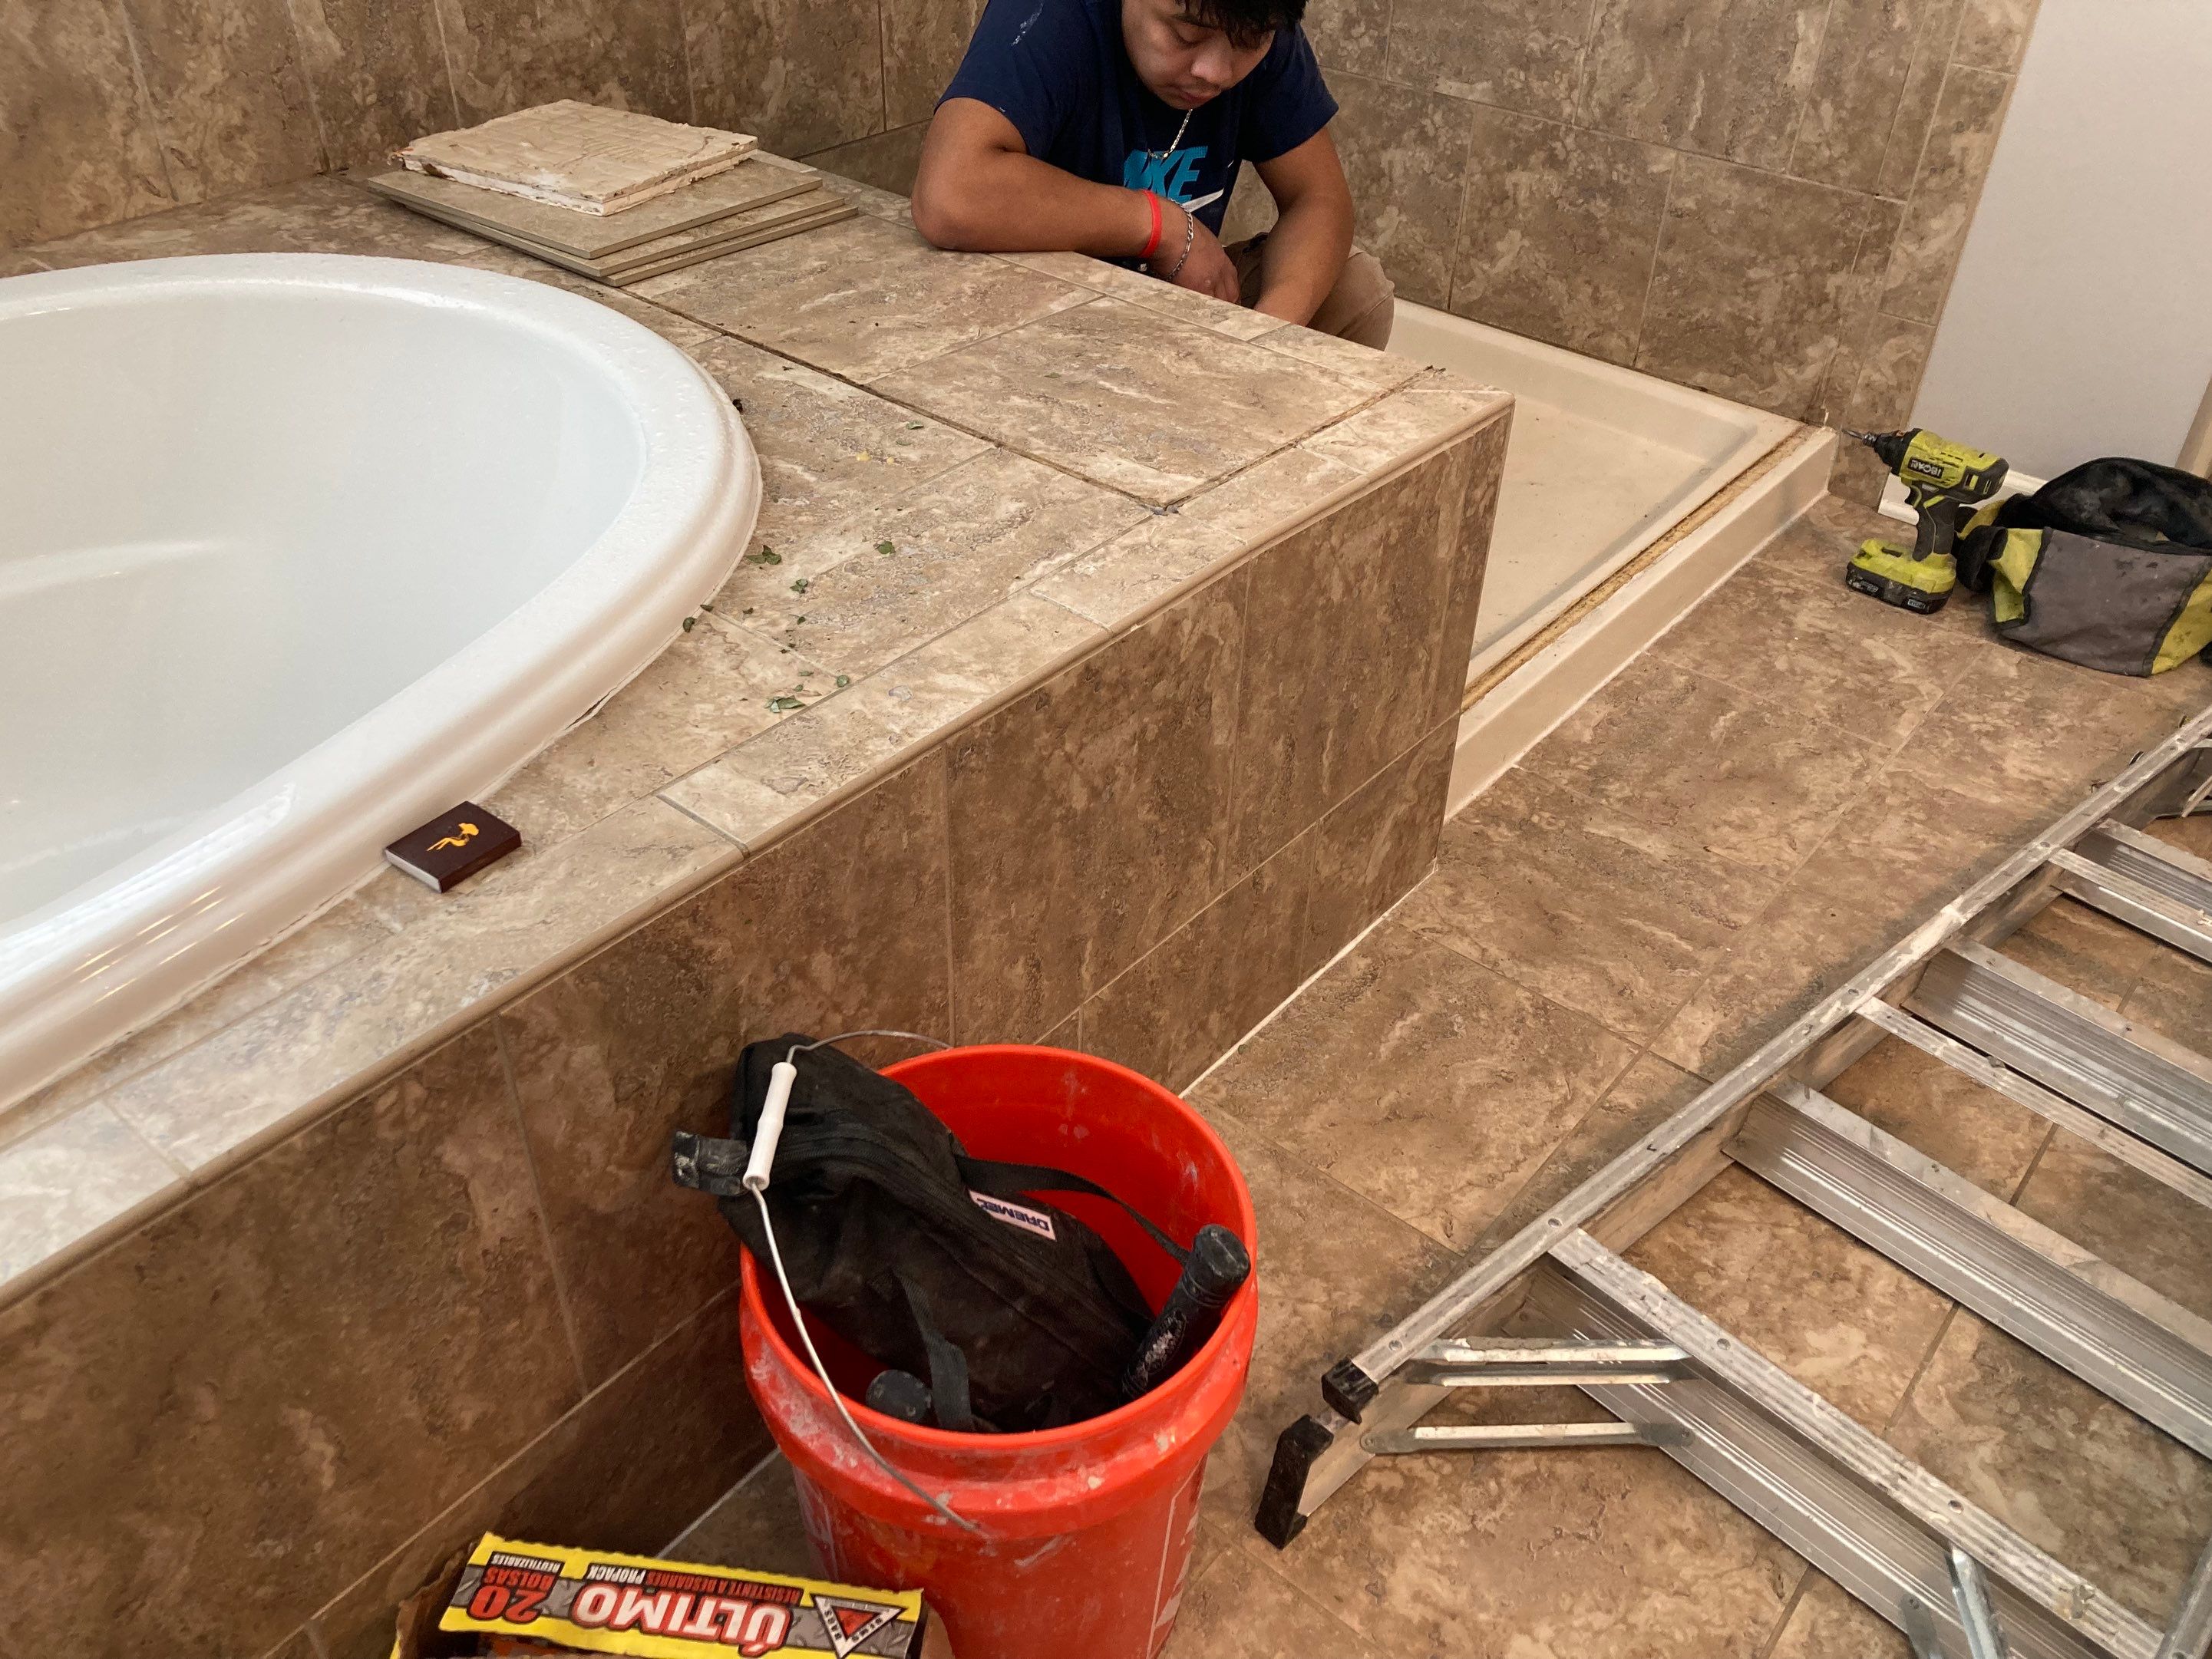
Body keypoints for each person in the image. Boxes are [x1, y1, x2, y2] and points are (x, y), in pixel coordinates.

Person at [910, 0, 1395, 348]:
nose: (1215, 72)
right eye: (1186, 34)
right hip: (1045, 317)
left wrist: (1267, 335)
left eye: (1250, 45)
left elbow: (1320, 199)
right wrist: (1159, 227)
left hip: (1173, 314)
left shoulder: (1254, 15)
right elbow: (950, 193)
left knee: (1357, 292)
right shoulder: (1051, 14)